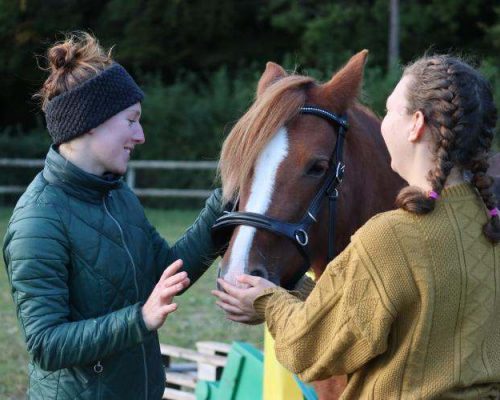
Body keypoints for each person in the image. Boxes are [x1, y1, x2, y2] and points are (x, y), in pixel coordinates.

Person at [213, 54, 500, 398]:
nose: (381, 121)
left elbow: (312, 349)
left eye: (391, 110)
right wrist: (296, 292)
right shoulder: (489, 222)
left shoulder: (389, 239)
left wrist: (266, 303)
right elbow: (385, 306)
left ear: (416, 124)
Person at [3, 32, 224, 399]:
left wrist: (223, 207)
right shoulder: (36, 222)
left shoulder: (116, 193)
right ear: (91, 121)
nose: (140, 136)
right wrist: (138, 320)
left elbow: (164, 270)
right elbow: (45, 344)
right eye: (131, 120)